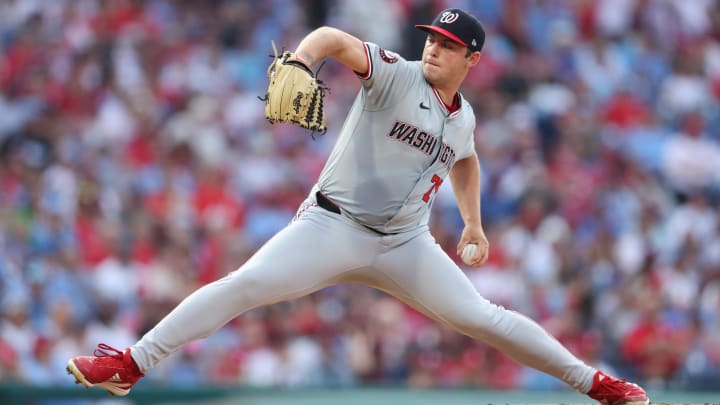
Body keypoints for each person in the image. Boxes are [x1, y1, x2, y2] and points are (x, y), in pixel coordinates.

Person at [66, 9, 649, 405]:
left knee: (481, 318)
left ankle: (594, 384)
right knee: (246, 284)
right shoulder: (396, 75)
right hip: (331, 225)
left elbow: (466, 160)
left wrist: (472, 222)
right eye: (431, 39)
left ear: (472, 59)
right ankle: (132, 364)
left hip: (405, 243)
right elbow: (332, 38)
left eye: (448, 46)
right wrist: (300, 61)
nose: (433, 49)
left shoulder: (465, 116)